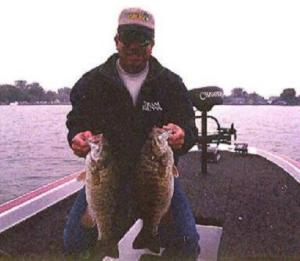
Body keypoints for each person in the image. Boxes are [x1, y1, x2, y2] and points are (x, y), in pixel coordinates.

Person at [64, 7, 200, 260]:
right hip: (108, 175)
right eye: (128, 37)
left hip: (155, 179)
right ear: (116, 41)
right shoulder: (91, 82)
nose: (135, 45)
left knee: (187, 239)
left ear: (153, 44)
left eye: (143, 39)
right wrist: (77, 136)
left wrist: (184, 134)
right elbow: (76, 121)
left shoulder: (171, 83)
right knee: (74, 240)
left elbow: (189, 127)